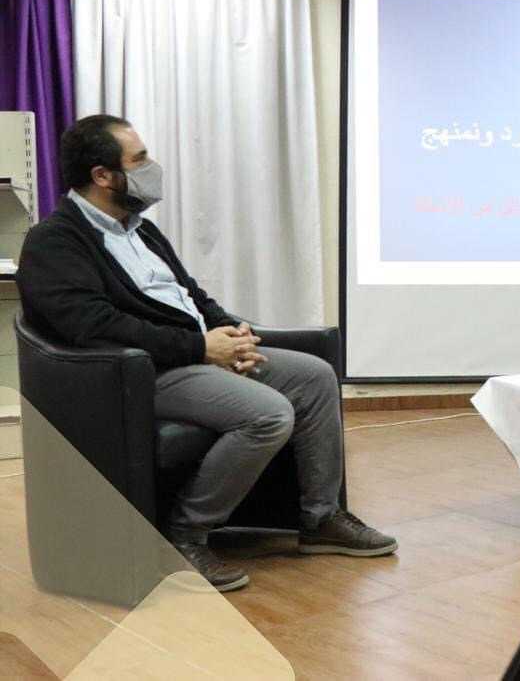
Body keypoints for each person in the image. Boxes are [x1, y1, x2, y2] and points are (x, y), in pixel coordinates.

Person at [17, 115, 396, 592]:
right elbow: (94, 326)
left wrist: (231, 333)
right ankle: (185, 536)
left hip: (194, 354)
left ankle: (320, 518)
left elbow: (189, 294)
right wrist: (200, 347)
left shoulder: (140, 231)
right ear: (103, 175)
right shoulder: (55, 241)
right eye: (139, 160)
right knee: (268, 414)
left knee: (314, 376)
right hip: (143, 371)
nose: (152, 167)